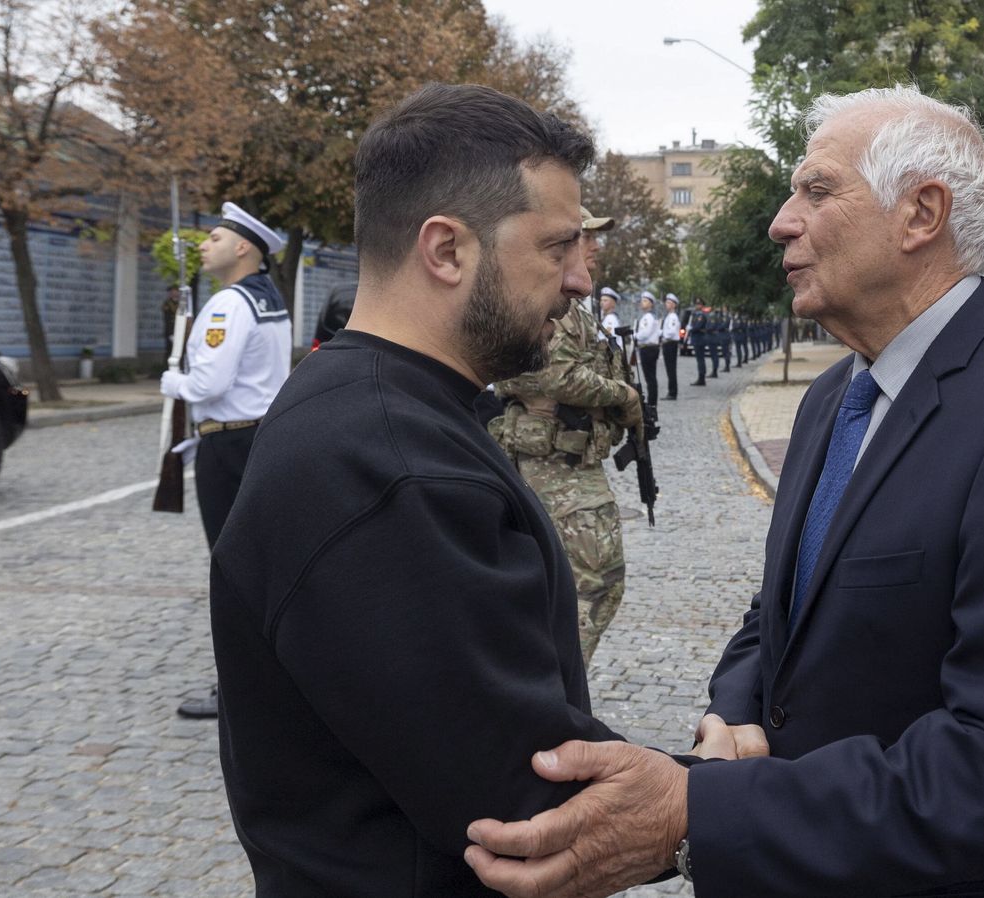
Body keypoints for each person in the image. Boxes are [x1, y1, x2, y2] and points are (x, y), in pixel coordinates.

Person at [464, 85, 984, 898]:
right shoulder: (835, 398)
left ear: (920, 215)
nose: (782, 220)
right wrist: (737, 714)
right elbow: (782, 611)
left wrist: (699, 811)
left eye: (816, 191)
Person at [207, 83, 633, 896]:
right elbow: (517, 803)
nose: (581, 279)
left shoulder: (375, 405)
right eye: (557, 246)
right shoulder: (391, 459)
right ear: (446, 251)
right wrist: (715, 794)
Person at [491, 205, 641, 667]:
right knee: (596, 581)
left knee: (574, 582)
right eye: (583, 236)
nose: (594, 246)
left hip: (568, 460)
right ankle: (556, 686)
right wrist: (624, 396)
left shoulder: (575, 307)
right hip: (556, 467)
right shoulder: (546, 302)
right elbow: (551, 376)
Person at [160, 202, 290, 720]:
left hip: (229, 443)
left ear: (243, 248)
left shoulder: (228, 305)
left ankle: (240, 688)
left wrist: (172, 381)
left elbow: (206, 385)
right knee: (260, 567)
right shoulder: (267, 298)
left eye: (214, 237)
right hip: (259, 439)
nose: (203, 244)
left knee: (234, 572)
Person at [633, 291, 661, 408]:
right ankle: (652, 402)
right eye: (642, 300)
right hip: (650, 348)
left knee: (650, 378)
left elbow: (645, 333)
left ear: (651, 304)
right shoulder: (650, 316)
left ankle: (652, 403)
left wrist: (634, 336)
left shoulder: (647, 317)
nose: (642, 303)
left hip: (648, 349)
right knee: (651, 377)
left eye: (645, 301)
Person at [660, 293, 681, 400]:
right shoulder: (669, 316)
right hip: (668, 343)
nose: (666, 304)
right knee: (669, 369)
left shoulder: (673, 317)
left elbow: (671, 332)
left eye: (669, 303)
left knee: (671, 369)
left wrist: (661, 334)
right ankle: (671, 391)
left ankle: (672, 392)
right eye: (666, 302)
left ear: (674, 305)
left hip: (670, 344)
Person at [688, 298, 709, 386]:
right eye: (696, 304)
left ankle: (701, 378)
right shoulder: (696, 314)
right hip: (697, 338)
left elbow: (697, 326)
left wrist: (691, 328)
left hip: (700, 339)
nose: (697, 306)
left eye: (699, 304)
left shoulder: (701, 315)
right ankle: (701, 377)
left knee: (700, 359)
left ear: (702, 305)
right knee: (699, 359)